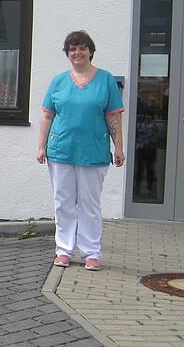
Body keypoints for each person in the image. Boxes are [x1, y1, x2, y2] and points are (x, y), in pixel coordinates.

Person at [37, 31, 125, 271]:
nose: (77, 52)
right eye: (72, 49)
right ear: (68, 53)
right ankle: (64, 250)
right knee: (63, 202)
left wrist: (119, 148)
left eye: (82, 48)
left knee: (89, 203)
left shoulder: (105, 80)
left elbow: (113, 116)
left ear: (90, 51)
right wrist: (41, 146)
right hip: (61, 149)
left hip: (93, 151)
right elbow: (47, 115)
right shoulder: (58, 81)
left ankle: (91, 253)